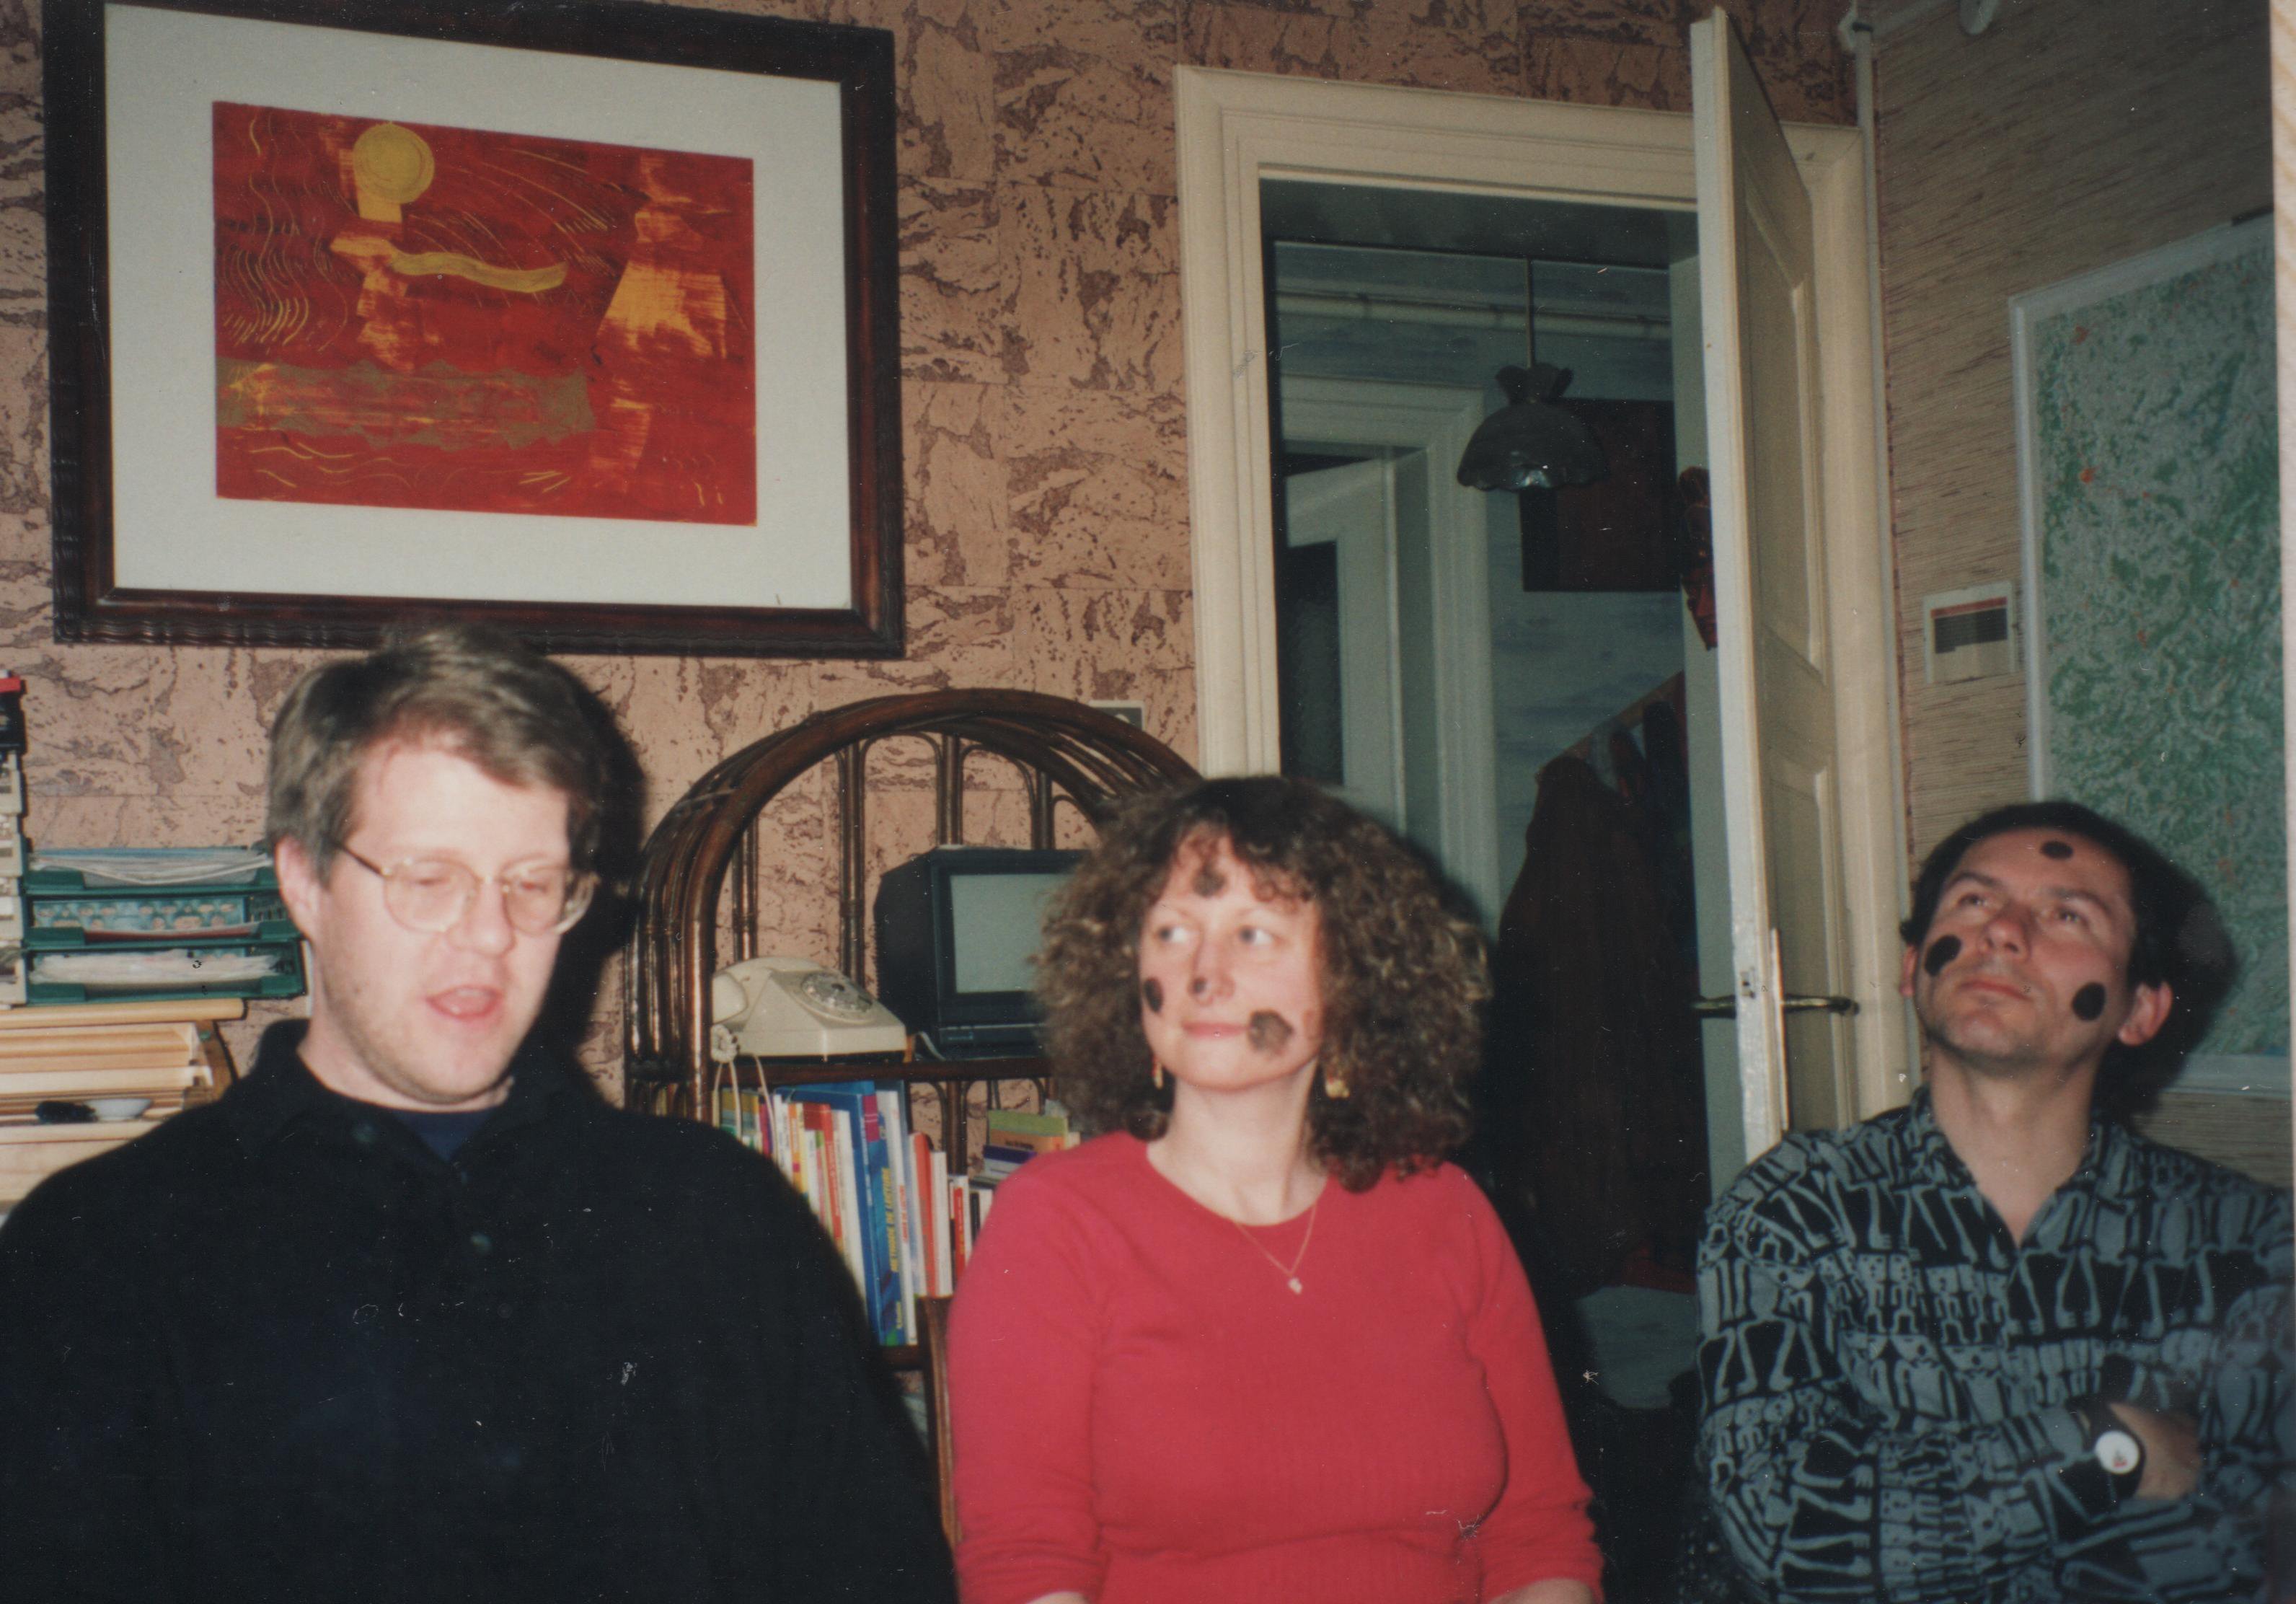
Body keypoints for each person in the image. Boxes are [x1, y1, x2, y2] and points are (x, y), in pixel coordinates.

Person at [0, 625, 954, 1604]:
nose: (491, 935)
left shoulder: (720, 1216)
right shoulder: (98, 1252)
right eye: (430, 879)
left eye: (532, 884)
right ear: (304, 882)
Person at [948, 775, 1602, 1604]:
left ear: (1353, 976)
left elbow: (1537, 1538)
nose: (1204, 972)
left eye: (1254, 934)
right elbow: (1026, 1564)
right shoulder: (1055, 1222)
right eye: (1171, 931)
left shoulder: (1446, 1209)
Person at [1696, 800, 2292, 1603]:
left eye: (2067, 914)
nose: (2003, 931)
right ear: (1914, 966)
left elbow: (2258, 1550)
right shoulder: (1792, 1211)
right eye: (1973, 900)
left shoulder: (2247, 1239)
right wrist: (2114, 1448)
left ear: (2139, 1009)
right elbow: (1787, 1533)